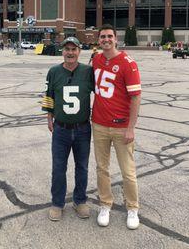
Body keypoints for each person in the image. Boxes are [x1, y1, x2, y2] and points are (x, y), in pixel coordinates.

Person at [92, 24, 141, 230]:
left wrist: (131, 127)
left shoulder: (127, 63)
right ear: (99, 40)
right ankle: (105, 204)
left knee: (127, 171)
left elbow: (136, 97)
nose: (106, 39)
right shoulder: (96, 59)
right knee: (102, 168)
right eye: (102, 36)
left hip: (121, 127)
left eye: (109, 36)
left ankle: (132, 207)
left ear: (116, 38)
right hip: (100, 124)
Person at [42, 37, 94, 222]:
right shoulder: (54, 71)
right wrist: (49, 117)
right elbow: (48, 96)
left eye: (74, 49)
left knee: (82, 167)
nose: (70, 52)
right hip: (61, 129)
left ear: (79, 51)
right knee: (58, 168)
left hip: (82, 128)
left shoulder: (88, 72)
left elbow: (102, 94)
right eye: (67, 49)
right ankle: (57, 203)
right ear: (62, 51)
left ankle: (80, 200)